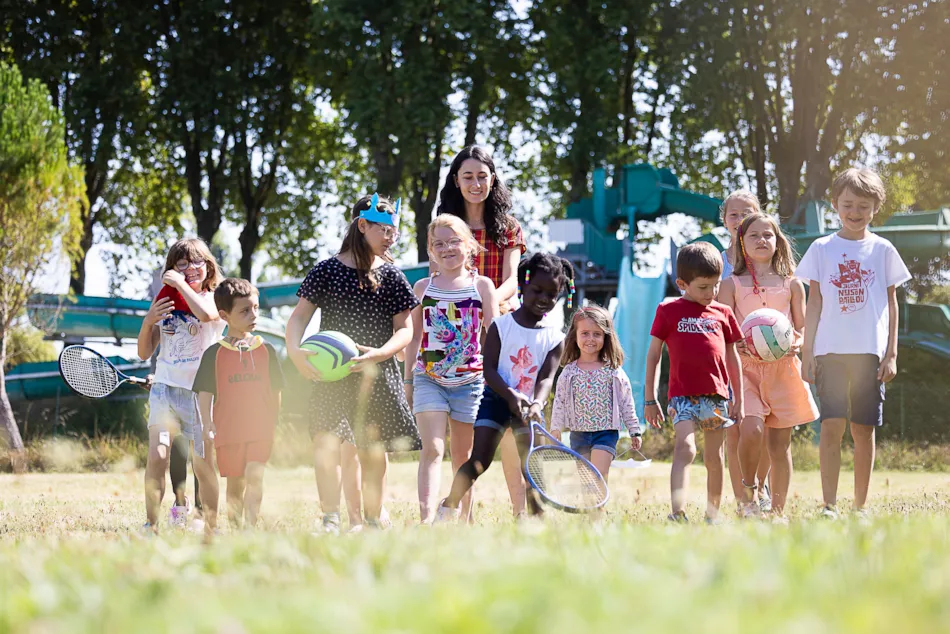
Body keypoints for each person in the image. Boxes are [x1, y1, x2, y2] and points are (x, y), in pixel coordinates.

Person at [285, 194, 420, 534]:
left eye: (395, 231)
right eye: (384, 229)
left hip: (376, 374)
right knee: (326, 444)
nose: (391, 237)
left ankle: (373, 521)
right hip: (332, 376)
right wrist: (296, 352)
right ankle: (331, 518)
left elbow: (406, 329)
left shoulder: (391, 275)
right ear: (362, 225)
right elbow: (299, 318)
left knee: (373, 451)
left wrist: (379, 353)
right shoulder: (327, 270)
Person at [796, 168, 911, 519]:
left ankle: (860, 506)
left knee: (864, 428)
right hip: (829, 352)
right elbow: (813, 303)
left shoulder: (883, 249)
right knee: (831, 425)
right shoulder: (821, 248)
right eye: (848, 204)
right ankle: (829, 505)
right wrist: (807, 352)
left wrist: (891, 353)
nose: (855, 212)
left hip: (869, 354)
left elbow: (892, 304)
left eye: (864, 205)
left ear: (875, 208)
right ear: (835, 204)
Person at [435, 253, 572, 522]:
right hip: (496, 399)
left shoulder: (556, 338)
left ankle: (534, 517)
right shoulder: (501, 326)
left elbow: (546, 378)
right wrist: (510, 395)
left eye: (552, 294)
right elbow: (489, 370)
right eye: (538, 290)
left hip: (529, 408)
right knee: (480, 461)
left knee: (532, 466)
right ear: (522, 285)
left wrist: (536, 403)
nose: (544, 298)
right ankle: (449, 506)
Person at [436, 145, 530, 517]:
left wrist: (485, 301)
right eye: (467, 176)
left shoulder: (508, 228)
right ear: (456, 182)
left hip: (500, 327)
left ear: (493, 180)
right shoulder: (446, 225)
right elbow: (440, 276)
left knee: (507, 430)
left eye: (482, 176)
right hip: (459, 332)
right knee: (462, 429)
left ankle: (521, 513)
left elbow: (511, 282)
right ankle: (464, 516)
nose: (476, 183)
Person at [718, 214, 819, 519]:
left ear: (778, 242)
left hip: (783, 369)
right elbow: (723, 330)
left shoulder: (792, 284)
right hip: (745, 370)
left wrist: (796, 344)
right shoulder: (731, 284)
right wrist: (735, 343)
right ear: (741, 243)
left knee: (779, 444)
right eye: (754, 236)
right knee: (751, 430)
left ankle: (777, 512)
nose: (762, 240)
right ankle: (748, 494)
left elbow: (801, 330)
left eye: (768, 235)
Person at [404, 215, 498, 524]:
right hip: (428, 378)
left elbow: (493, 337)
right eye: (439, 244)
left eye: (454, 241)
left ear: (469, 245)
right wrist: (408, 379)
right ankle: (426, 519)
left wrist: (497, 381)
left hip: (470, 383)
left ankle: (463, 519)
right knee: (432, 448)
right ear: (430, 250)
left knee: (463, 456)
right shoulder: (422, 287)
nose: (447, 249)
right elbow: (414, 336)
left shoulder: (481, 286)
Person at [644, 242, 743, 524]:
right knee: (686, 449)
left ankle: (713, 514)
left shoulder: (723, 313)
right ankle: (677, 513)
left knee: (715, 457)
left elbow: (733, 358)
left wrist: (739, 400)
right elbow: (653, 356)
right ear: (682, 283)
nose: (710, 293)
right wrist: (650, 399)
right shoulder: (668, 310)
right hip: (682, 397)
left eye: (715, 286)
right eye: (703, 287)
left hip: (717, 398)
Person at [136, 238, 225, 536]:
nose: (189, 269)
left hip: (201, 394)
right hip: (165, 389)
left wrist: (182, 284)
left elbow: (206, 315)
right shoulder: (167, 301)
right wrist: (149, 321)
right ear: (171, 268)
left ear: (208, 266)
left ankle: (204, 517)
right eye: (181, 264)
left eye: (196, 262)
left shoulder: (215, 296)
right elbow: (144, 352)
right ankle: (151, 524)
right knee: (158, 456)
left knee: (202, 463)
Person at [192, 278, 284, 529]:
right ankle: (235, 528)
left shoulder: (267, 350)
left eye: (255, 308)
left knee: (255, 475)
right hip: (228, 431)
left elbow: (276, 390)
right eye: (245, 311)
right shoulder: (214, 353)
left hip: (260, 429)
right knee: (235, 484)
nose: (253, 315)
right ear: (225, 315)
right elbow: (205, 392)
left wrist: (274, 421)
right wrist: (206, 422)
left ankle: (250, 529)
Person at [719, 189, 772, 513]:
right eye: (734, 214)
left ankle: (761, 485)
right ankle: (743, 499)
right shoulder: (718, 262)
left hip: (767, 359)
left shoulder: (770, 260)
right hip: (728, 357)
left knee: (763, 426)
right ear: (724, 220)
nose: (739, 220)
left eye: (747, 213)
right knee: (735, 429)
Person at [550, 305, 641, 494]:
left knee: (598, 476)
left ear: (606, 337)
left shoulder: (613, 370)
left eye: (597, 334)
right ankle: (590, 518)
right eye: (585, 333)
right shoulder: (569, 372)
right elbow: (559, 401)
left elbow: (626, 402)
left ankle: (598, 519)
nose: (591, 339)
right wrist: (556, 427)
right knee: (586, 483)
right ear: (575, 336)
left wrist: (634, 430)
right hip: (579, 434)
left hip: (605, 433)